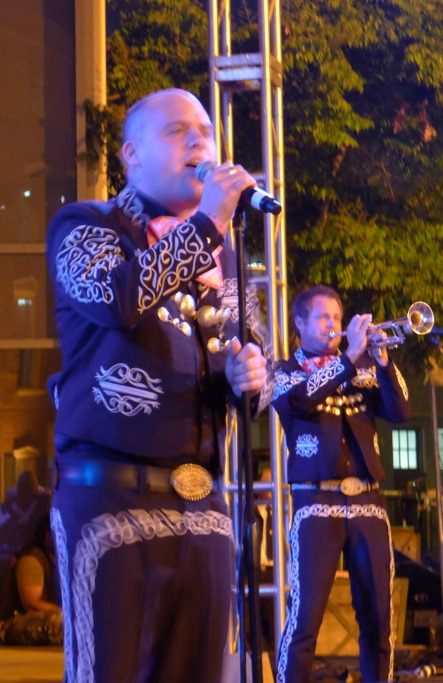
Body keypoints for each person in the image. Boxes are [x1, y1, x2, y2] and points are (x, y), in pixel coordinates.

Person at [46, 88, 269, 682]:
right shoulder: (86, 224)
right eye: (177, 130)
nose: (199, 140)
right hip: (111, 503)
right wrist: (207, 225)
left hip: (204, 507)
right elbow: (115, 297)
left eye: (205, 130)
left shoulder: (222, 257)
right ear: (131, 154)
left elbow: (254, 360)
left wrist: (249, 375)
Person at [272, 285, 410, 683]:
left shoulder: (365, 368)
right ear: (299, 323)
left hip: (368, 502)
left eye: (337, 317)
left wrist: (382, 361)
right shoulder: (285, 371)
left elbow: (400, 411)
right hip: (316, 503)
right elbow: (299, 401)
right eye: (322, 317)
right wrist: (349, 358)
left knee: (379, 619)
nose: (332, 324)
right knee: (305, 619)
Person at [0, 516, 62, 646]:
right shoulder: (32, 560)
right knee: (63, 620)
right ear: (47, 536)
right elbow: (31, 605)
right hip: (13, 624)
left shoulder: (68, 561)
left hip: (49, 619)